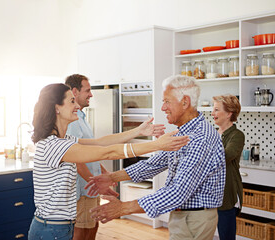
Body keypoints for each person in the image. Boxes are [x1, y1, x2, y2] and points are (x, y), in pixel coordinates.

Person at [28, 83, 189, 240]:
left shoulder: (64, 140)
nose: (77, 105)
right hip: (51, 229)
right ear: (56, 108)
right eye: (71, 101)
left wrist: (138, 131)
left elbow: (101, 142)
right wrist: (156, 145)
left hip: (60, 226)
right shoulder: (54, 145)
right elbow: (108, 152)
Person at [87, 75, 226, 240]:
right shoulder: (184, 132)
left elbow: (178, 192)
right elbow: (153, 164)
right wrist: (111, 177)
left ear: (185, 102)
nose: (162, 108)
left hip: (193, 219)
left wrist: (123, 208)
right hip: (184, 216)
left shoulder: (201, 137)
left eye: (167, 101)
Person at [65, 74, 116, 240]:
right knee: (81, 232)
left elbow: (89, 153)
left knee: (93, 227)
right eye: (87, 90)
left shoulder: (82, 118)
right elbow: (78, 161)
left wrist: (105, 174)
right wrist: (98, 185)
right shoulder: (72, 121)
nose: (91, 95)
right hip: (84, 189)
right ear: (74, 91)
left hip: (90, 187)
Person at [211, 95, 245, 240]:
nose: (212, 113)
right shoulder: (212, 133)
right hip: (209, 193)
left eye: (216, 109)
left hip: (226, 194)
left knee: (226, 236)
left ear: (229, 113)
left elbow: (225, 155)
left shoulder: (237, 135)